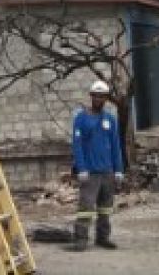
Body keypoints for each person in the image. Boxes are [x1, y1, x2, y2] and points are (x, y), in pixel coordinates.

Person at [69, 80, 124, 251]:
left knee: (105, 208)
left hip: (107, 171)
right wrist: (81, 168)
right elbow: (77, 146)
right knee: (86, 207)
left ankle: (103, 237)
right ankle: (81, 239)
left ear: (106, 98)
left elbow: (116, 145)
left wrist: (119, 170)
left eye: (102, 97)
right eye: (96, 96)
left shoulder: (110, 119)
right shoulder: (81, 118)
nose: (99, 99)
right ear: (91, 97)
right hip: (90, 173)